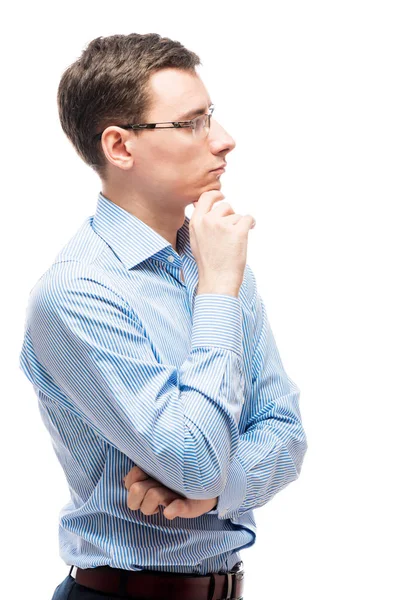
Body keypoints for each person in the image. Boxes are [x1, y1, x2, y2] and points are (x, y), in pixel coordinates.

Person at [19, 32, 308, 600]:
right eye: (192, 122)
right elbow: (193, 460)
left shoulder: (212, 256)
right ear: (120, 147)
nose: (224, 141)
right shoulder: (76, 292)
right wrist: (219, 291)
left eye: (212, 117)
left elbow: (286, 432)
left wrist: (214, 491)